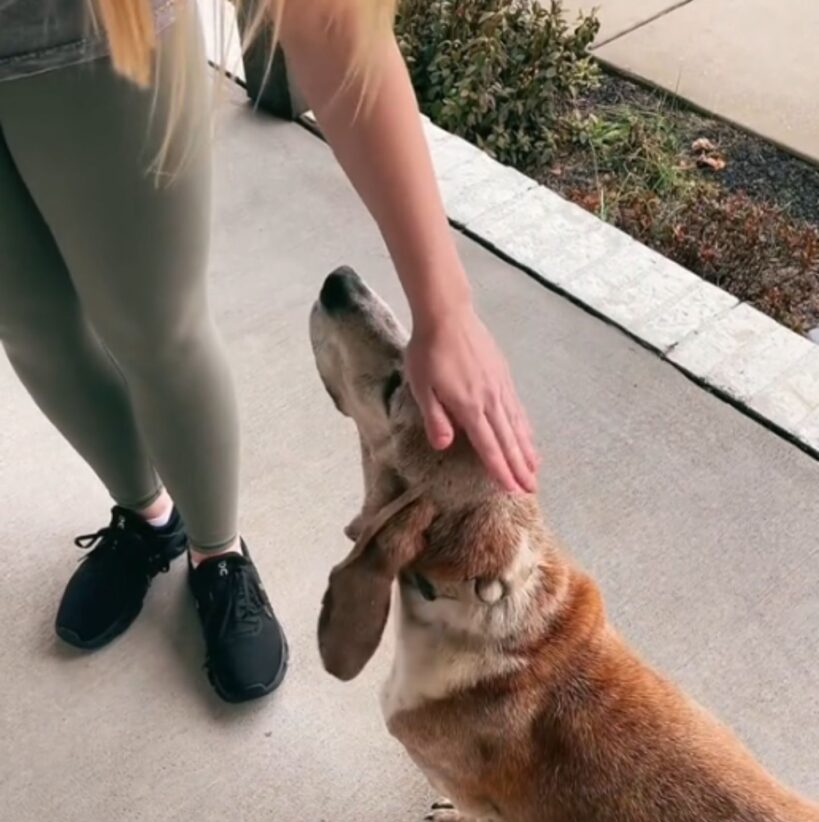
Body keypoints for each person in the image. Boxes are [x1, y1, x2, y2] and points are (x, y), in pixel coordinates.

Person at [0, 0, 537, 703]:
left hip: (89, 38)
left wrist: (445, 307)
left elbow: (330, 23)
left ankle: (216, 553)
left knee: (156, 331)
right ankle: (148, 519)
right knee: (28, 322)